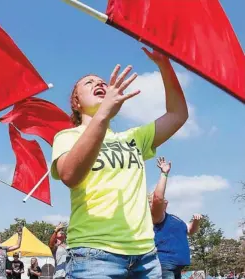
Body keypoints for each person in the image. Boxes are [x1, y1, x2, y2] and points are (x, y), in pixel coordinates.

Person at [51, 48, 189, 278]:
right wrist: (103, 114)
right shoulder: (68, 137)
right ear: (76, 102)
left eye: (102, 82)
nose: (99, 83)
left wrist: (165, 66)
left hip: (146, 256)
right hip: (94, 254)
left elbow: (177, 115)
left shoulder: (134, 137)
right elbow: (70, 175)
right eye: (89, 82)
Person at [149, 157, 203, 279]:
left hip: (178, 264)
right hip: (165, 262)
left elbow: (190, 230)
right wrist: (164, 173)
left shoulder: (175, 218)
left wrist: (196, 221)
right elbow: (158, 199)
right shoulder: (157, 217)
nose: (164, 200)